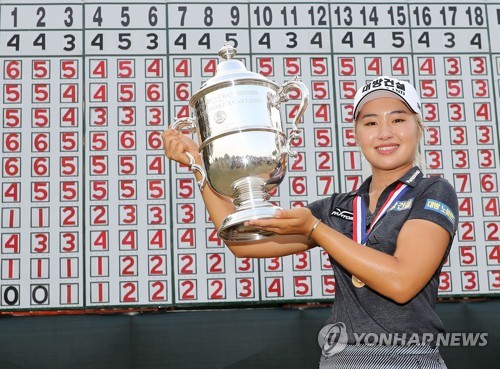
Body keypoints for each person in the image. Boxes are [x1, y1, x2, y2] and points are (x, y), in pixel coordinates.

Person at [162, 76, 458, 368]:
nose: (384, 133)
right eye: (370, 123)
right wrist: (198, 165)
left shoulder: (433, 191)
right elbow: (243, 243)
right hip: (340, 360)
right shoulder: (337, 208)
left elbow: (401, 282)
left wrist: (316, 229)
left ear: (419, 128)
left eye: (397, 120)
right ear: (355, 133)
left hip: (408, 358)